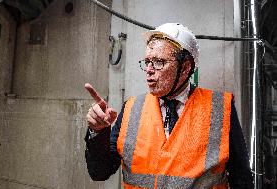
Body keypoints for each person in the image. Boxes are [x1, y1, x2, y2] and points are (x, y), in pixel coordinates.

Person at [84, 23, 254, 189]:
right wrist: (98, 132)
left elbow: (242, 179)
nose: (149, 70)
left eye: (159, 62)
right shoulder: (132, 108)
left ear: (185, 67)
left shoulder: (219, 109)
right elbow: (100, 172)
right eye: (147, 62)